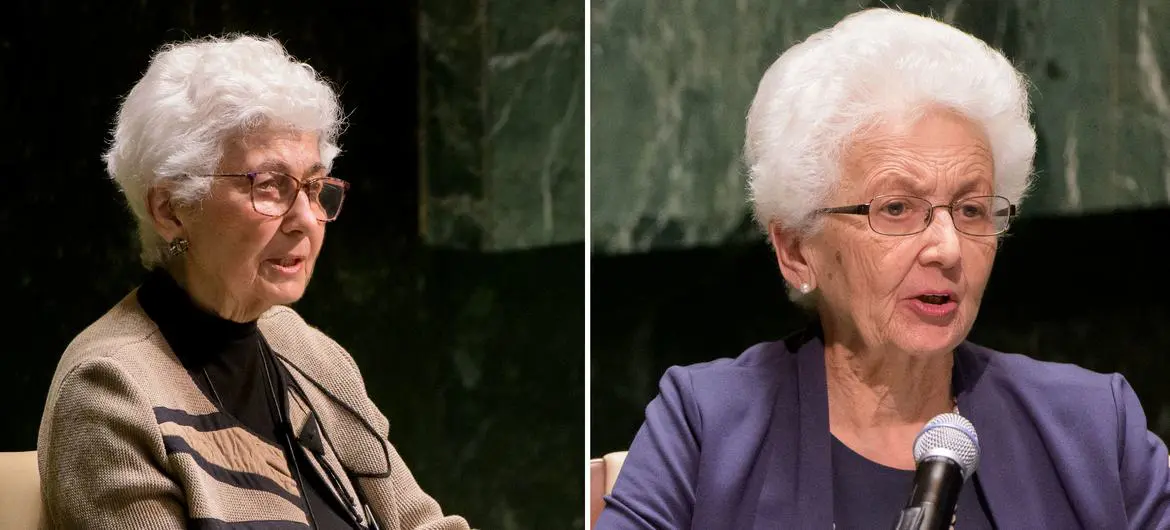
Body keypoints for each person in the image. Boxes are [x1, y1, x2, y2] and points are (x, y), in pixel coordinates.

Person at [594, 8, 1170, 529]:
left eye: (971, 209)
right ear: (796, 250)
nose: (946, 247)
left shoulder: (1092, 428)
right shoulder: (707, 427)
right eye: (895, 209)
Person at [38, 35, 470, 530]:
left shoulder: (307, 352)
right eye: (269, 185)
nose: (305, 218)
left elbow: (420, 522)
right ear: (171, 208)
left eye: (313, 185)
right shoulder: (110, 390)